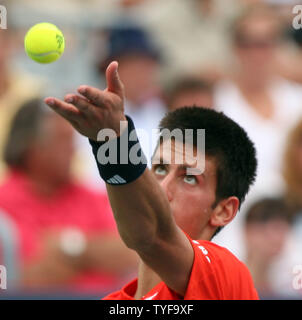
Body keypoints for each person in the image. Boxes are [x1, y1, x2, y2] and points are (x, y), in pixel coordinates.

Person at [45, 61, 258, 300]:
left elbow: (152, 234)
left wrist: (114, 142)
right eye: (159, 169)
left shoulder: (224, 277)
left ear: (223, 210)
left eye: (189, 178)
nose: (163, 188)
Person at [0, 99, 137, 295]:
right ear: (31, 148)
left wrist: (71, 246)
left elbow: (131, 254)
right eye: (63, 140)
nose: (74, 150)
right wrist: (95, 259)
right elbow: (24, 279)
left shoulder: (91, 196)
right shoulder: (3, 205)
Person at [243, 198, 292, 299]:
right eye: (275, 228)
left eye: (283, 229)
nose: (279, 237)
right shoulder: (229, 282)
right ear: (250, 230)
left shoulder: (286, 288)